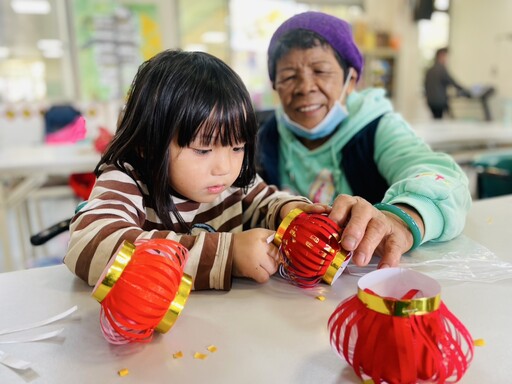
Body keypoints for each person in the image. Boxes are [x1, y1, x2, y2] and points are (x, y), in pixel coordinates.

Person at [64, 49, 323, 290]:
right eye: (202, 150)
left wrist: (292, 214)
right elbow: (88, 243)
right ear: (148, 144)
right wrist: (227, 255)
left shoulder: (234, 181)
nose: (224, 168)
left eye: (237, 147)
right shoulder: (128, 180)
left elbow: (268, 204)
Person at [257, 12, 471, 269]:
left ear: (351, 80)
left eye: (321, 71)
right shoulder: (266, 137)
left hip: (369, 277)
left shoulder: (376, 126)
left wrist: (401, 220)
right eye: (289, 76)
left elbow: (445, 181)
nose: (305, 87)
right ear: (275, 86)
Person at [424, 47, 471, 119]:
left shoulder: (430, 70)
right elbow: (452, 82)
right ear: (441, 56)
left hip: (431, 101)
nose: (446, 59)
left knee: (437, 119)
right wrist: (466, 91)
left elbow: (425, 85)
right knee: (444, 119)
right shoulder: (441, 69)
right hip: (439, 101)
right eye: (445, 56)